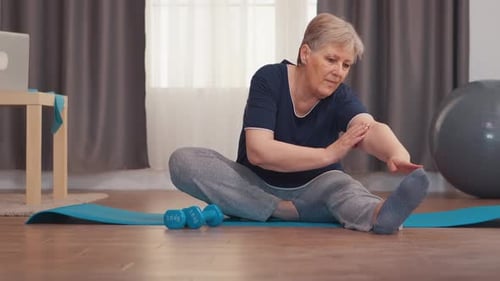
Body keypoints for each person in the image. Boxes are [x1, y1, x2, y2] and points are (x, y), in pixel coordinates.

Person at [168, 13, 429, 234]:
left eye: (346, 64)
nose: (339, 71)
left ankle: (379, 215)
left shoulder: (341, 96)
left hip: (315, 190)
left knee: (341, 186)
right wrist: (328, 153)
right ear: (306, 53)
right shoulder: (269, 79)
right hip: (255, 184)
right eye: (331, 59)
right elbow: (259, 152)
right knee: (184, 161)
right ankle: (282, 211)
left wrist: (395, 153)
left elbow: (369, 128)